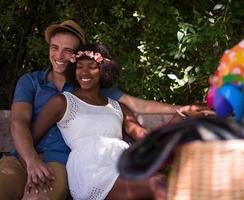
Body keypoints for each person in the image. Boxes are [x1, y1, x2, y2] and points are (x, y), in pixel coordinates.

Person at [0, 19, 213, 200]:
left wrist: (182, 112)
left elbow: (141, 120)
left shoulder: (105, 98)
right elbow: (23, 125)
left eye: (69, 51)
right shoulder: (46, 91)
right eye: (55, 48)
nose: (60, 55)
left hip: (89, 164)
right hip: (55, 162)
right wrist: (30, 162)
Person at [30, 43, 202, 200]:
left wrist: (181, 114)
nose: (84, 72)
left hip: (123, 164)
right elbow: (31, 137)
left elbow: (146, 138)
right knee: (158, 183)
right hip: (92, 170)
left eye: (92, 67)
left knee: (166, 182)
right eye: (79, 67)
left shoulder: (117, 107)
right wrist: (31, 164)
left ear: (103, 70)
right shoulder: (63, 101)